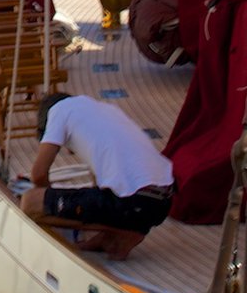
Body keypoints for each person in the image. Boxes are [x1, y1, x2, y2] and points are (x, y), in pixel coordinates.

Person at [23, 91, 174, 259]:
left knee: (30, 202)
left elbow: (38, 174)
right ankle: (113, 237)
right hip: (162, 201)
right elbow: (100, 189)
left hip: (134, 200)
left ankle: (127, 232)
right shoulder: (105, 110)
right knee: (102, 209)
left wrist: (47, 202)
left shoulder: (58, 111)